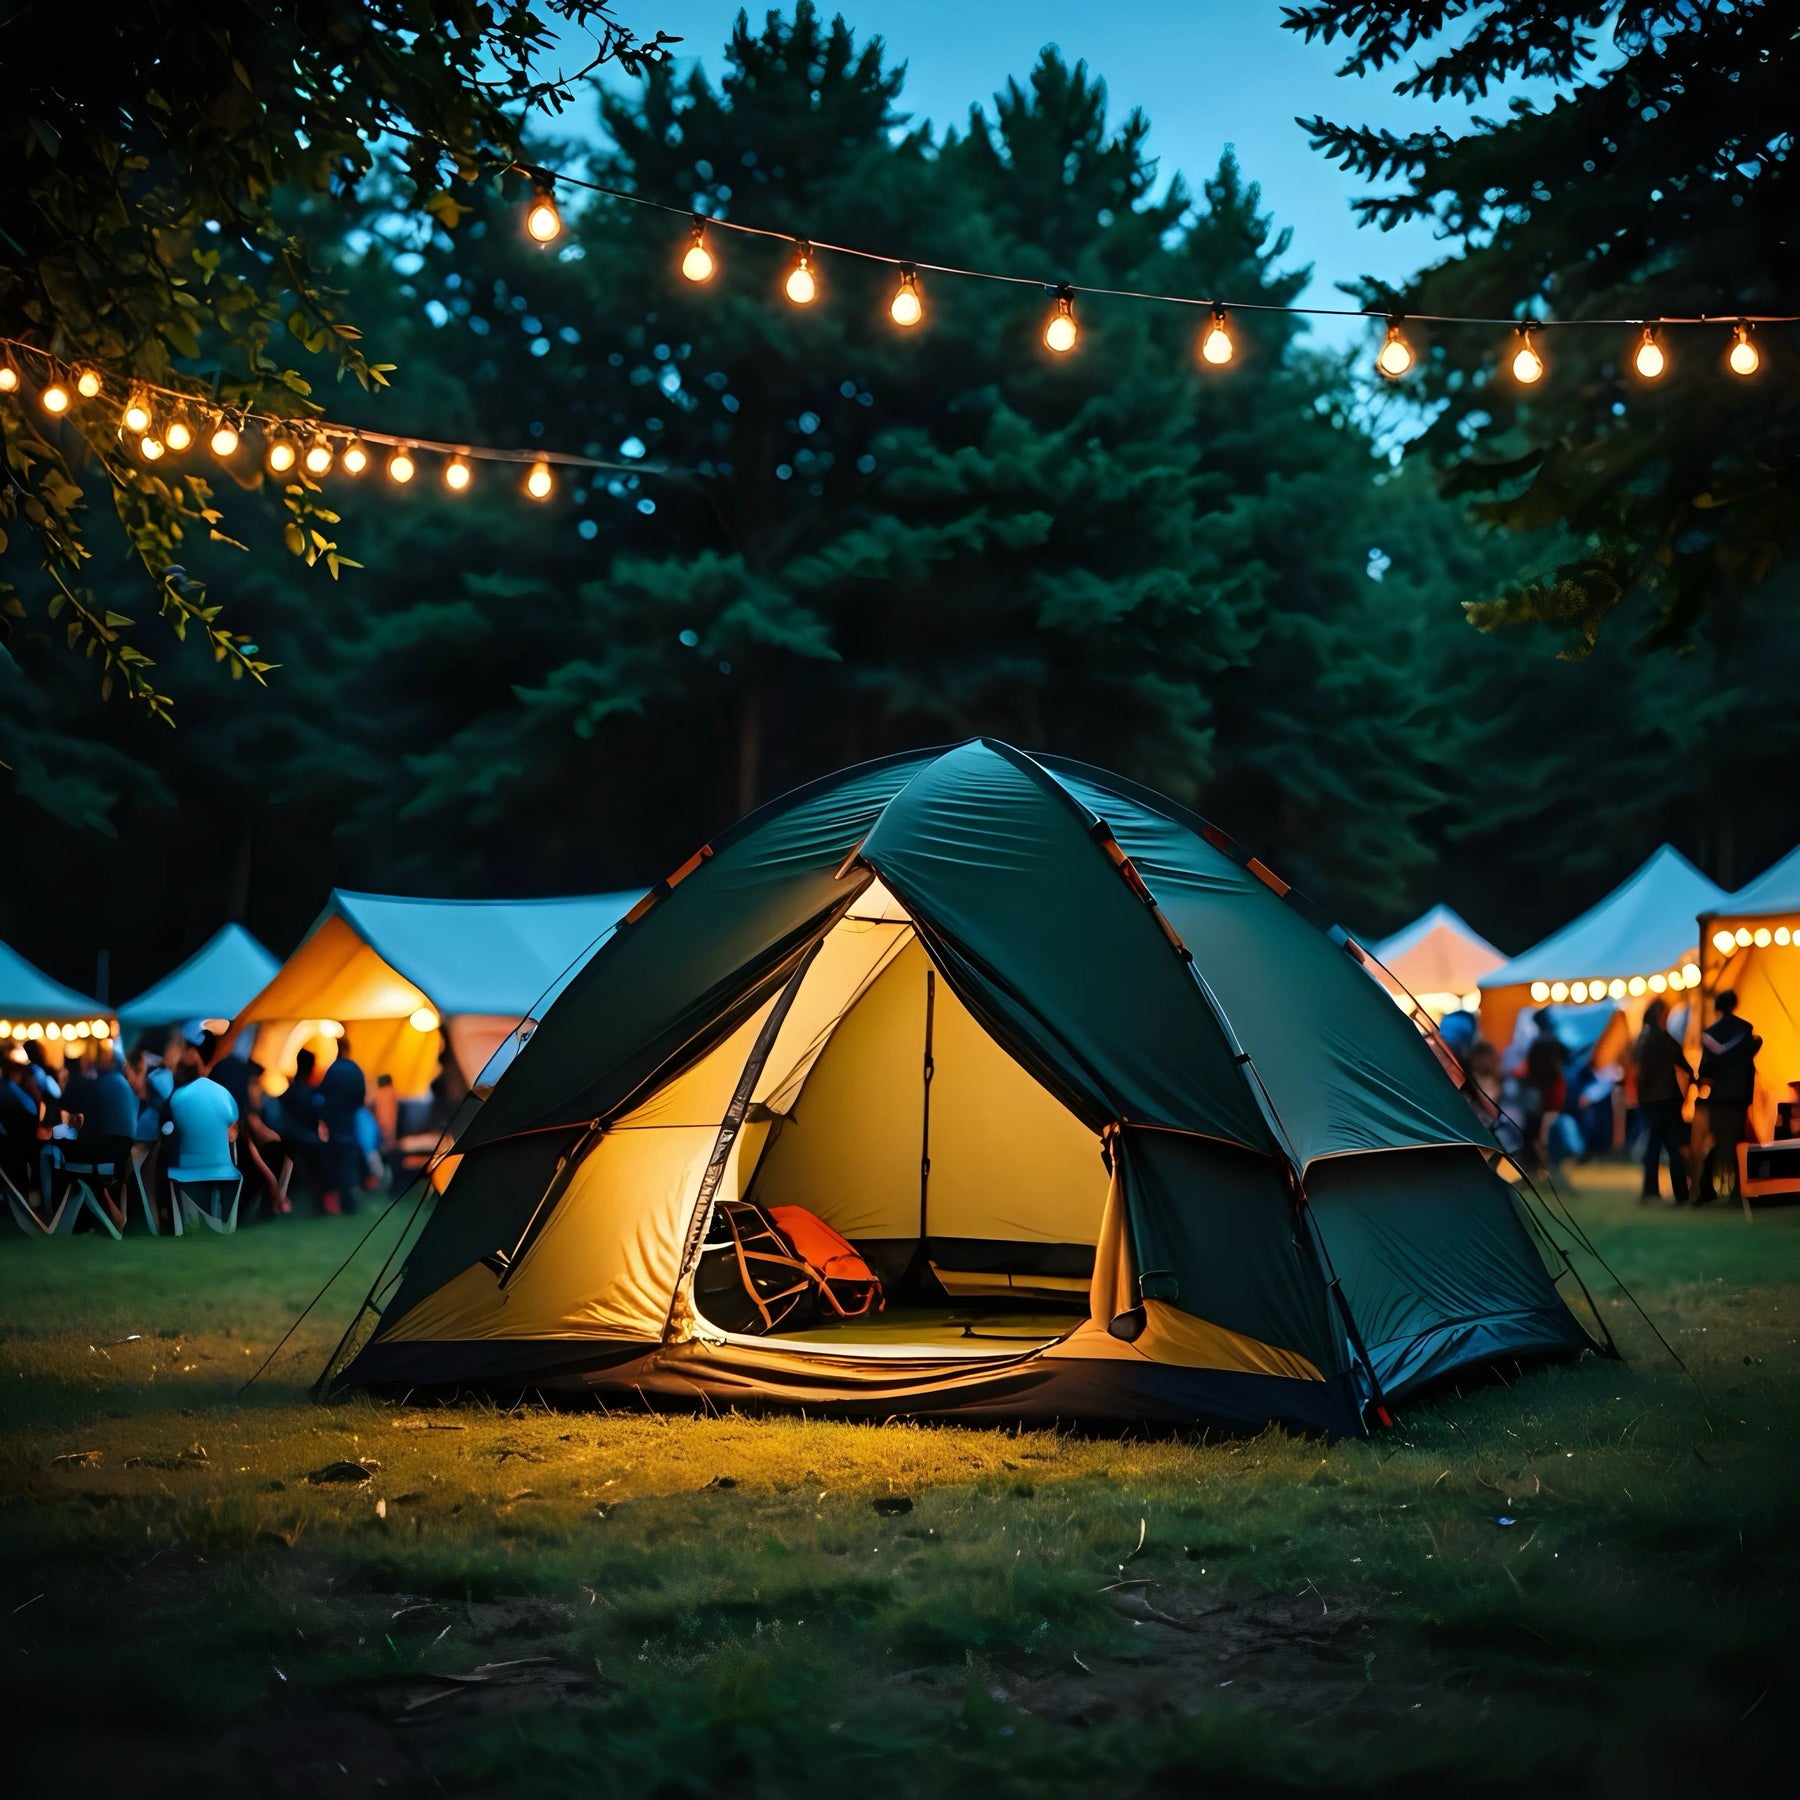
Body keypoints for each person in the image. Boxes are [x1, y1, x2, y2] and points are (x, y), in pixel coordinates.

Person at [1697, 989, 1761, 1204]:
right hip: (1740, 1096)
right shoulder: (1745, 1030)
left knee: (1719, 1141)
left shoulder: (1710, 1034)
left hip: (1719, 1097)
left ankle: (1707, 1189)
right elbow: (1751, 1053)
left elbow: (1705, 1069)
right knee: (1734, 1140)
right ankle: (1737, 1191)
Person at [1632, 997, 1691, 1205]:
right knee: (1674, 1148)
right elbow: (1684, 1065)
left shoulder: (1643, 1039)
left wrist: (1639, 1097)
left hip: (1650, 1101)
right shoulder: (1667, 1039)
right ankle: (1681, 1193)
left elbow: (1639, 1073)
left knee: (1653, 1147)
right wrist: (1692, 1081)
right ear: (1659, 1015)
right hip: (1671, 1100)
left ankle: (1650, 1191)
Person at [163, 1065, 240, 1222]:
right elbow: (233, 1133)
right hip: (222, 1168)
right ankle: (225, 1221)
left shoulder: (177, 1098)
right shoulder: (225, 1095)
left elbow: (173, 1130)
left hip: (187, 1169)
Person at [316, 1037, 368, 1213]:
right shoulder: (354, 1070)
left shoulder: (333, 1070)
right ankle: (350, 1197)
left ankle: (337, 1198)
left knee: (336, 1162)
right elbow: (361, 1096)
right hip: (350, 1123)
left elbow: (322, 1093)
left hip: (335, 1123)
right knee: (349, 1161)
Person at [1522, 1009, 1568, 1174]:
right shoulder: (1555, 1042)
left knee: (1535, 1133)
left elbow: (1528, 1068)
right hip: (1552, 1093)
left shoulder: (1536, 1043)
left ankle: (1538, 1166)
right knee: (1545, 1133)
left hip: (1537, 1093)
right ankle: (1547, 1166)